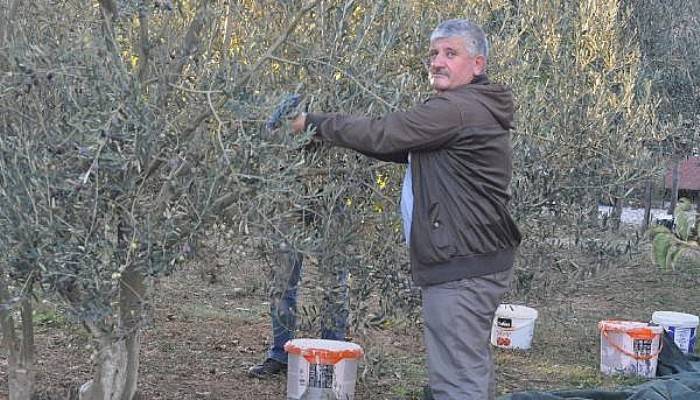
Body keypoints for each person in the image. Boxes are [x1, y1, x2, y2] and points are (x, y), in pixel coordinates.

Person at [290, 19, 521, 400]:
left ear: (477, 64)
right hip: (474, 258)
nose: (437, 62)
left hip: (461, 264)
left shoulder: (457, 109)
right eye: (433, 53)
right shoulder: (472, 108)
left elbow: (384, 132)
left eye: (451, 53)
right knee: (465, 366)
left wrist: (312, 124)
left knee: (458, 381)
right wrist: (327, 135)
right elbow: (395, 145)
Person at [247, 202, 350, 379]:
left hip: (335, 196)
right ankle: (281, 355)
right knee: (282, 281)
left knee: (335, 286)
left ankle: (331, 360)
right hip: (293, 195)